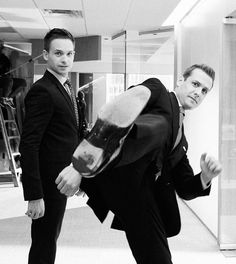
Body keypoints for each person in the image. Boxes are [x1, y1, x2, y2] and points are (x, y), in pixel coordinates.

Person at [56, 64, 222, 264]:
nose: (198, 92)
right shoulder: (159, 92)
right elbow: (132, 105)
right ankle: (101, 153)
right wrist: (78, 167)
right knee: (158, 125)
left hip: (144, 199)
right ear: (180, 80)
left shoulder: (181, 143)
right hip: (124, 179)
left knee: (159, 259)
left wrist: (206, 177)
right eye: (195, 84)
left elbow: (185, 188)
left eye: (204, 91)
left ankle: (109, 149)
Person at [19, 28, 87, 264]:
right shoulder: (42, 91)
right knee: (44, 242)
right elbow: (29, 145)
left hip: (61, 180)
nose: (65, 59)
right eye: (58, 53)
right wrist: (34, 195)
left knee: (49, 238)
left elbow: (70, 135)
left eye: (69, 54)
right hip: (47, 184)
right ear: (45, 55)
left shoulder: (67, 88)